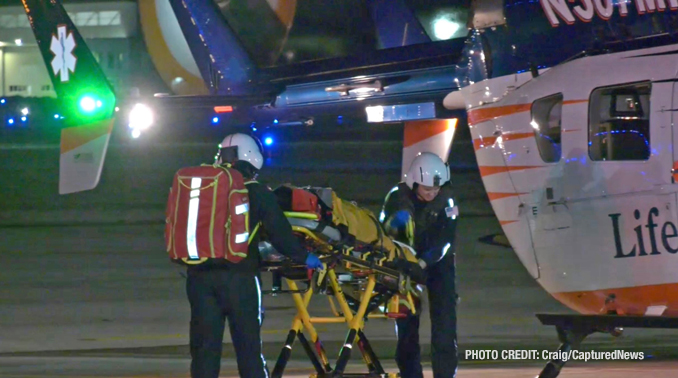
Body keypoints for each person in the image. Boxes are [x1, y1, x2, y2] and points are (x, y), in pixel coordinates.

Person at [186, 133, 323, 378]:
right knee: (248, 349)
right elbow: (280, 235)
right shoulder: (257, 192)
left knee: (204, 351)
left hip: (199, 279)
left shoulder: (205, 189)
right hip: (240, 280)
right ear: (252, 159)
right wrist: (305, 257)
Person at [380, 152, 459, 378]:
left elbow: (446, 241)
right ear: (414, 182)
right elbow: (385, 234)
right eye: (427, 189)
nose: (432, 193)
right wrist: (396, 224)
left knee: (445, 326)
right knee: (406, 327)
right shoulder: (396, 197)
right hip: (405, 265)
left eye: (435, 189)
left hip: (438, 263)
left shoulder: (448, 201)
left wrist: (423, 263)